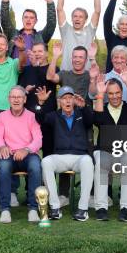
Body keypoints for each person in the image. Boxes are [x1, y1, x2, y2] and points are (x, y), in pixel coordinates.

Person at [35, 86, 94, 222]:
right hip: (60, 156)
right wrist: (41, 103)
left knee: (88, 161)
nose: (67, 101)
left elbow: (91, 120)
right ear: (59, 101)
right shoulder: (54, 116)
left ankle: (83, 209)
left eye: (70, 98)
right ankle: (54, 207)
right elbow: (40, 118)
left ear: (74, 100)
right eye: (64, 98)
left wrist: (84, 106)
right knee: (46, 162)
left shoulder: (81, 114)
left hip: (79, 157)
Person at [93, 74, 127, 222]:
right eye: (111, 93)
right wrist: (100, 94)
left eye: (117, 93)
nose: (114, 96)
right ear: (107, 95)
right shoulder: (103, 107)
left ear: (122, 93)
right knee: (101, 163)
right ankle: (101, 208)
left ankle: (126, 208)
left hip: (125, 152)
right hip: (106, 152)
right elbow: (98, 120)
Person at [0, 86, 43, 223]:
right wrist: (2, 146)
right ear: (9, 99)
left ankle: (33, 209)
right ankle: (4, 209)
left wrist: (26, 150)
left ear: (24, 99)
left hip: (28, 153)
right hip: (9, 153)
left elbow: (38, 139)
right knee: (4, 167)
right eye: (13, 97)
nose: (16, 100)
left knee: (35, 166)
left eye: (19, 97)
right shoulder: (1, 117)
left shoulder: (32, 116)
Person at [0, 0, 56, 64]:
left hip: (34, 72)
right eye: (26, 17)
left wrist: (50, 3)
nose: (28, 20)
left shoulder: (41, 36)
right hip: (14, 73)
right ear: (22, 19)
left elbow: (51, 24)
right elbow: (4, 20)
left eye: (31, 18)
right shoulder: (13, 33)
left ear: (36, 21)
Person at [57, 0, 101, 71]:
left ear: (85, 20)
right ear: (72, 18)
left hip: (86, 74)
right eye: (75, 16)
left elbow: (97, 11)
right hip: (67, 73)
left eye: (81, 17)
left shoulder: (90, 30)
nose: (77, 18)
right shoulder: (66, 30)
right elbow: (59, 9)